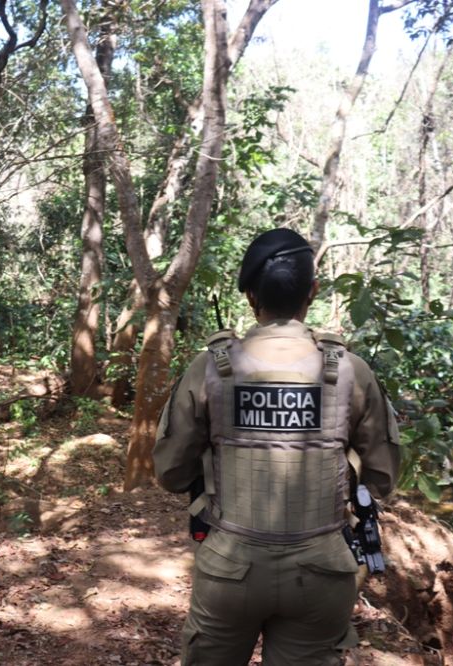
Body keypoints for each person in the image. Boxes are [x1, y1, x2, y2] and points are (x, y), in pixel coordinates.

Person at [153, 228, 400, 666]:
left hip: (231, 565)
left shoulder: (212, 367)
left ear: (251, 296)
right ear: (313, 292)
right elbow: (382, 478)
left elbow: (171, 472)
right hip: (322, 570)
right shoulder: (349, 370)